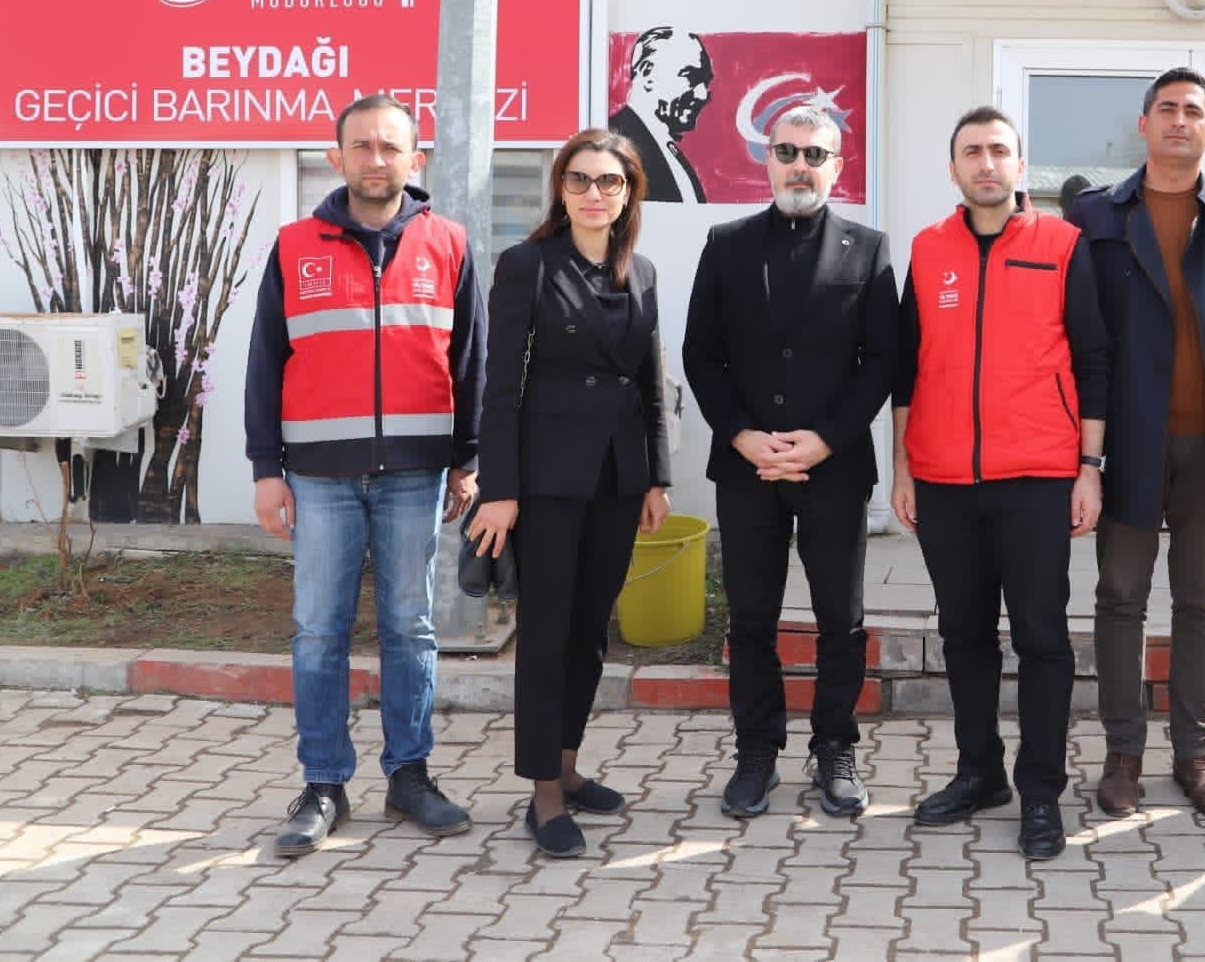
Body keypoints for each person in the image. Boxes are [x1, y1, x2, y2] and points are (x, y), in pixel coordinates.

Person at [245, 93, 484, 857]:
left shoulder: (448, 242)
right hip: (318, 478)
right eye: (363, 146)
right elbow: (264, 367)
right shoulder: (293, 246)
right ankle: (322, 783)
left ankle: (409, 776)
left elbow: (471, 362)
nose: (377, 159)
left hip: (416, 473)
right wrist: (265, 470)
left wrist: (468, 461)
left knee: (410, 628)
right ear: (336, 156)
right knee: (319, 630)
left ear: (417, 161)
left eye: (392, 147)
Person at [1069, 68, 1205, 820]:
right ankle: (1123, 754)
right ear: (1143, 124)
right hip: (1128, 444)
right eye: (1166, 108)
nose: (1178, 120)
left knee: (1202, 601)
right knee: (1120, 598)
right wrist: (1084, 458)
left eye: (1193, 110)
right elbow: (1075, 339)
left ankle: (1194, 753)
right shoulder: (1094, 213)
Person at [891, 107, 1112, 860]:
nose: (986, 163)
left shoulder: (1063, 244)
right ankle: (978, 771)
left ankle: (1041, 789)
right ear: (952, 167)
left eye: (999, 151)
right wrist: (904, 467)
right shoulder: (927, 250)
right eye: (971, 152)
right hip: (946, 478)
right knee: (963, 636)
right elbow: (907, 368)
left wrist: (1089, 469)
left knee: (1043, 639)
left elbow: (1094, 362)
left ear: (1021, 165)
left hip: (1039, 478)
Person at [682, 105, 897, 819]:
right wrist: (744, 435)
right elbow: (700, 354)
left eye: (816, 153)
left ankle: (835, 747)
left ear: (839, 166)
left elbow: (882, 361)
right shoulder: (727, 242)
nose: (800, 164)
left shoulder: (868, 250)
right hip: (746, 467)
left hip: (833, 465)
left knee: (842, 617)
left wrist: (825, 438)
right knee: (749, 618)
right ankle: (756, 752)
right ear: (766, 158)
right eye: (787, 150)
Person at [466, 128, 672, 858]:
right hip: (546, 478)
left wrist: (657, 475)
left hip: (619, 476)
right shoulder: (527, 265)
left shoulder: (639, 270)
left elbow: (649, 380)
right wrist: (499, 487)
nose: (593, 193)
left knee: (589, 629)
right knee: (546, 633)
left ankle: (569, 763)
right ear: (561, 188)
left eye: (609, 182)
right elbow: (499, 387)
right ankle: (543, 792)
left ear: (628, 193)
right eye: (580, 179)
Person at [608, 25, 714, 203]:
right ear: (647, 72)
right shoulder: (614, 143)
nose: (703, 94)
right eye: (691, 76)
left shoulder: (668, 150)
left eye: (705, 81)